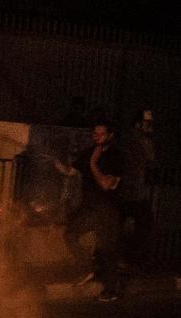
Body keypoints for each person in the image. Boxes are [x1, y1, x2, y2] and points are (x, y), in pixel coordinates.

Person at [56, 120, 124, 302]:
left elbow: (106, 184)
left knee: (107, 250)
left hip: (106, 211)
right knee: (70, 234)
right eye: (95, 134)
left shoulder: (115, 157)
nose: (97, 138)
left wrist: (93, 163)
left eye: (101, 134)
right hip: (89, 209)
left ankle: (112, 290)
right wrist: (58, 163)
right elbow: (71, 171)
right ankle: (87, 268)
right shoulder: (88, 153)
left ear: (110, 135)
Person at [117, 110, 156, 272]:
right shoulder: (138, 140)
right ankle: (127, 260)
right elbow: (150, 160)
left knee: (129, 226)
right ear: (138, 124)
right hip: (132, 191)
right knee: (140, 226)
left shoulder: (132, 139)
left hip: (130, 190)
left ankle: (123, 260)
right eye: (147, 123)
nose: (150, 126)